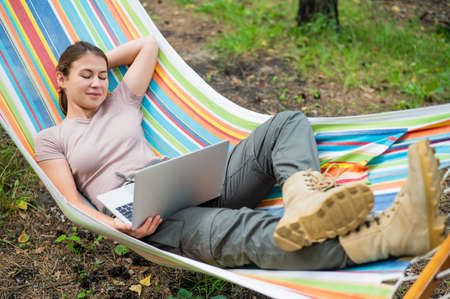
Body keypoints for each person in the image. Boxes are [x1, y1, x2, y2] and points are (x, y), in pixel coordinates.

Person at [35, 37, 446, 270]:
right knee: (252, 232)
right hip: (152, 218)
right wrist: (118, 228)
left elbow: (147, 46)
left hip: (186, 180)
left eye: (103, 75)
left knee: (285, 122)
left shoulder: (122, 99)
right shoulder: (51, 138)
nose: (97, 83)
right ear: (61, 78)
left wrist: (99, 61)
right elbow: (72, 203)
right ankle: (386, 236)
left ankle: (306, 199)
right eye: (85, 76)